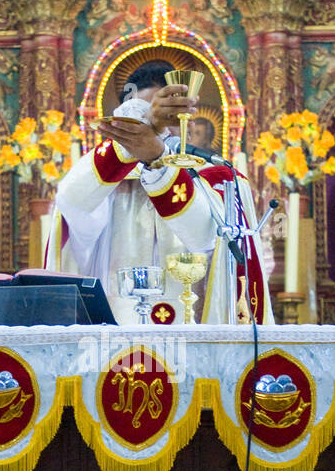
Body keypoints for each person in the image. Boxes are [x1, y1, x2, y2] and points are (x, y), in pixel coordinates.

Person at [45, 61, 273, 324]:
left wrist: (157, 158)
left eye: (169, 117)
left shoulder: (219, 178)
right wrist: (140, 134)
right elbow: (71, 202)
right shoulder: (100, 178)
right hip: (115, 342)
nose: (161, 129)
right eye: (145, 115)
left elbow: (204, 236)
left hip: (196, 339)